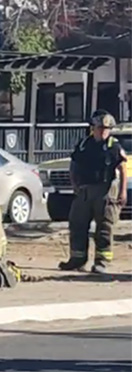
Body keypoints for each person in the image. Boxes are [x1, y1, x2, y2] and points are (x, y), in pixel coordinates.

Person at [59, 112, 127, 274]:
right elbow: (74, 165)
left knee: (104, 226)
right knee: (77, 224)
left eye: (107, 128)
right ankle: (77, 259)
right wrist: (74, 184)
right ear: (93, 128)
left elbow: (122, 168)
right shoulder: (84, 144)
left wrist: (122, 192)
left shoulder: (113, 146)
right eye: (100, 128)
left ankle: (101, 261)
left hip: (105, 190)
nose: (103, 131)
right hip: (84, 190)